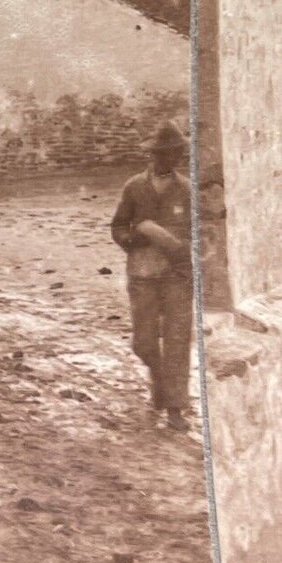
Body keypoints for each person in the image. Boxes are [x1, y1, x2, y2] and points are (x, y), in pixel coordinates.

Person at [111, 120, 193, 431]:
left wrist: (180, 246)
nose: (167, 159)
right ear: (152, 155)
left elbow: (200, 233)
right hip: (142, 274)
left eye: (174, 154)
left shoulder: (186, 190)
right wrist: (133, 239)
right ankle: (161, 387)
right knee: (143, 343)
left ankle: (175, 409)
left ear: (179, 156)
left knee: (176, 341)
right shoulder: (134, 187)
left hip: (177, 276)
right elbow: (118, 226)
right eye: (161, 154)